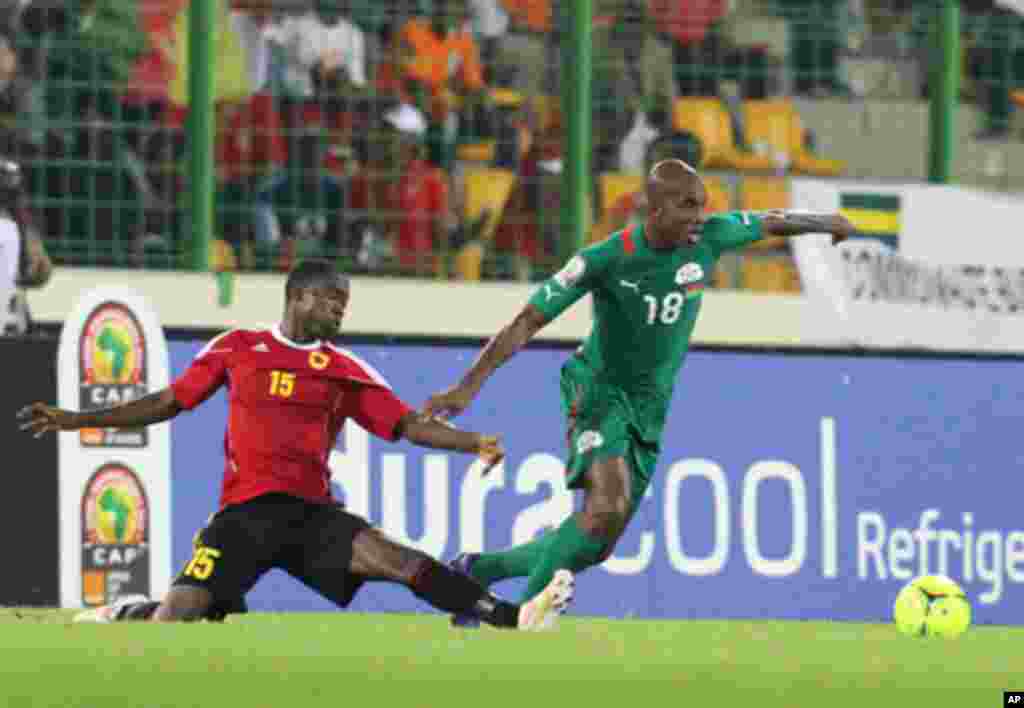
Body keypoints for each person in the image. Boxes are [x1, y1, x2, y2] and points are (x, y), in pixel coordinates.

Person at [17, 259, 573, 629]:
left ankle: (511, 617)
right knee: (177, 617)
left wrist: (469, 441)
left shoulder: (343, 370)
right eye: (331, 300)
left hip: (311, 515)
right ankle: (131, 613)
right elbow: (168, 402)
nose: (339, 311)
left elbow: (403, 423)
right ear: (299, 297)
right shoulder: (238, 347)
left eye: (344, 304)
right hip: (244, 515)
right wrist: (76, 419)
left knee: (402, 561)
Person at [424, 159, 853, 626]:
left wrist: (826, 223)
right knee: (604, 505)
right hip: (599, 390)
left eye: (701, 205)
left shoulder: (710, 237)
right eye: (686, 205)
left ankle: (476, 571)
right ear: (653, 206)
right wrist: (467, 387)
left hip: (651, 406)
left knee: (598, 541)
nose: (698, 215)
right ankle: (518, 619)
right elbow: (527, 321)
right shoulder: (605, 258)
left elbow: (770, 221)